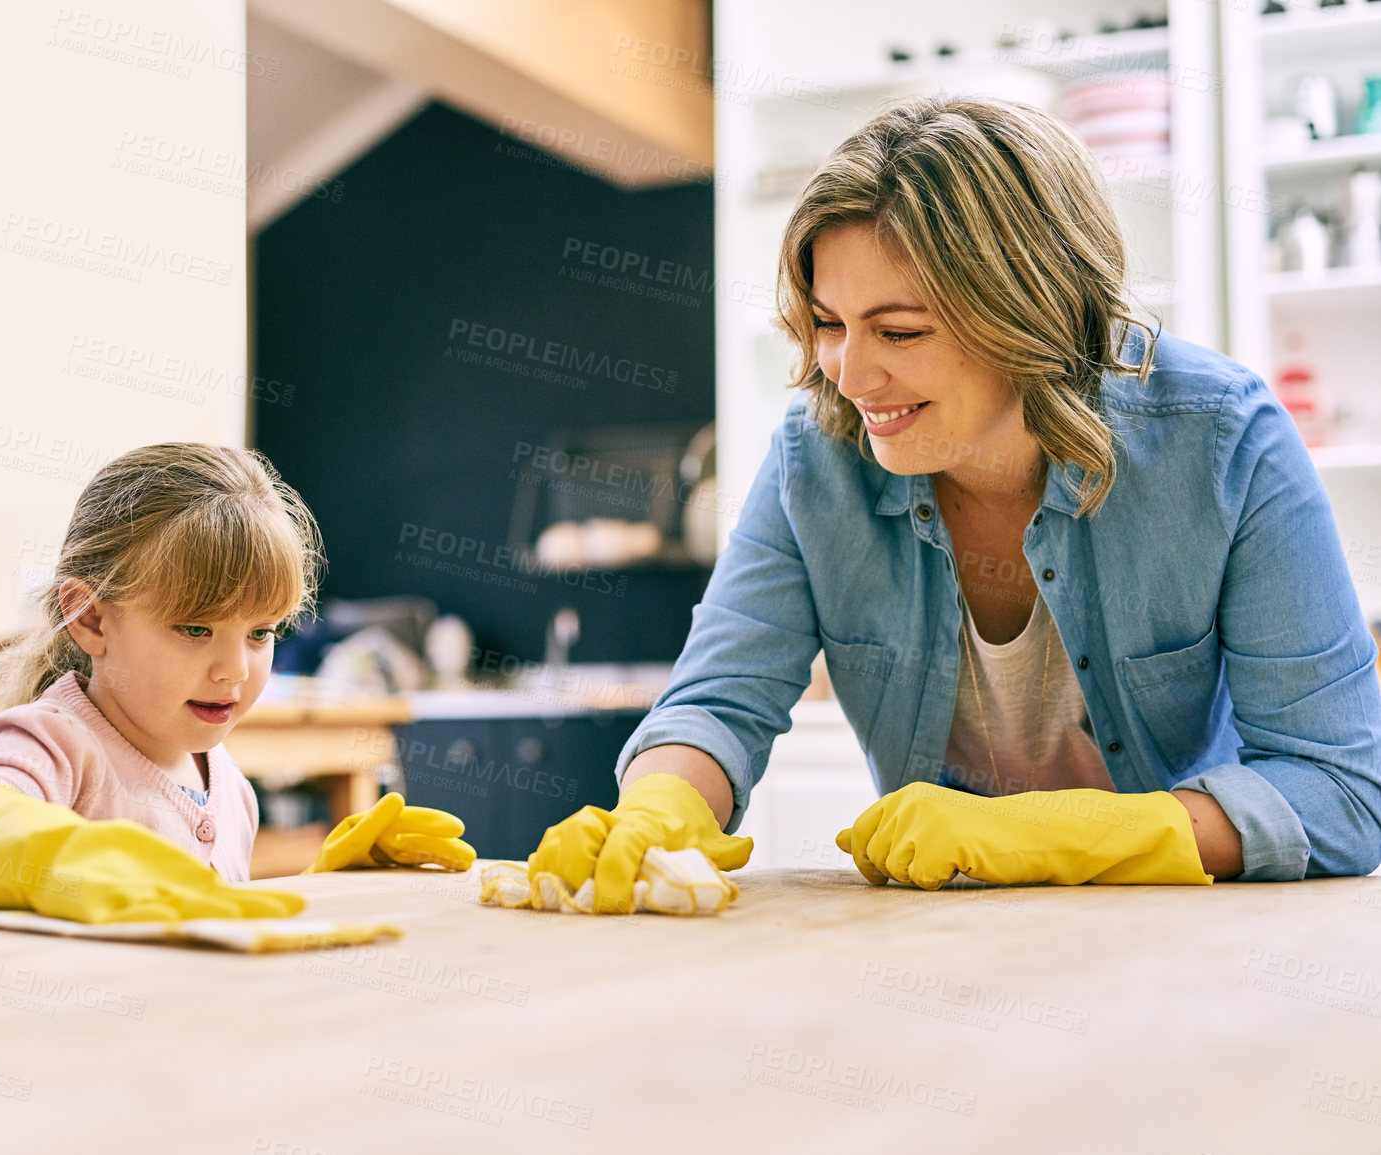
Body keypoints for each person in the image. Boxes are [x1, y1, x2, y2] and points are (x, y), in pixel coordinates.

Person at [528, 96, 1381, 908]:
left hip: (1180, 940)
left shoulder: (1222, 443)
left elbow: (1341, 793)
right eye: (829, 323)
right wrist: (656, 810)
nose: (850, 377)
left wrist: (1059, 833)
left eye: (899, 330)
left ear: (1032, 314)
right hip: (939, 943)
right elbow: (716, 704)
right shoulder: (817, 455)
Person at [0, 443, 473, 924]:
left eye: (261, 632)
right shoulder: (57, 742)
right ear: (90, 618)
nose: (234, 669)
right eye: (195, 628)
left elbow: (201, 925)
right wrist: (74, 858)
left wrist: (324, 884)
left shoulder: (231, 787)